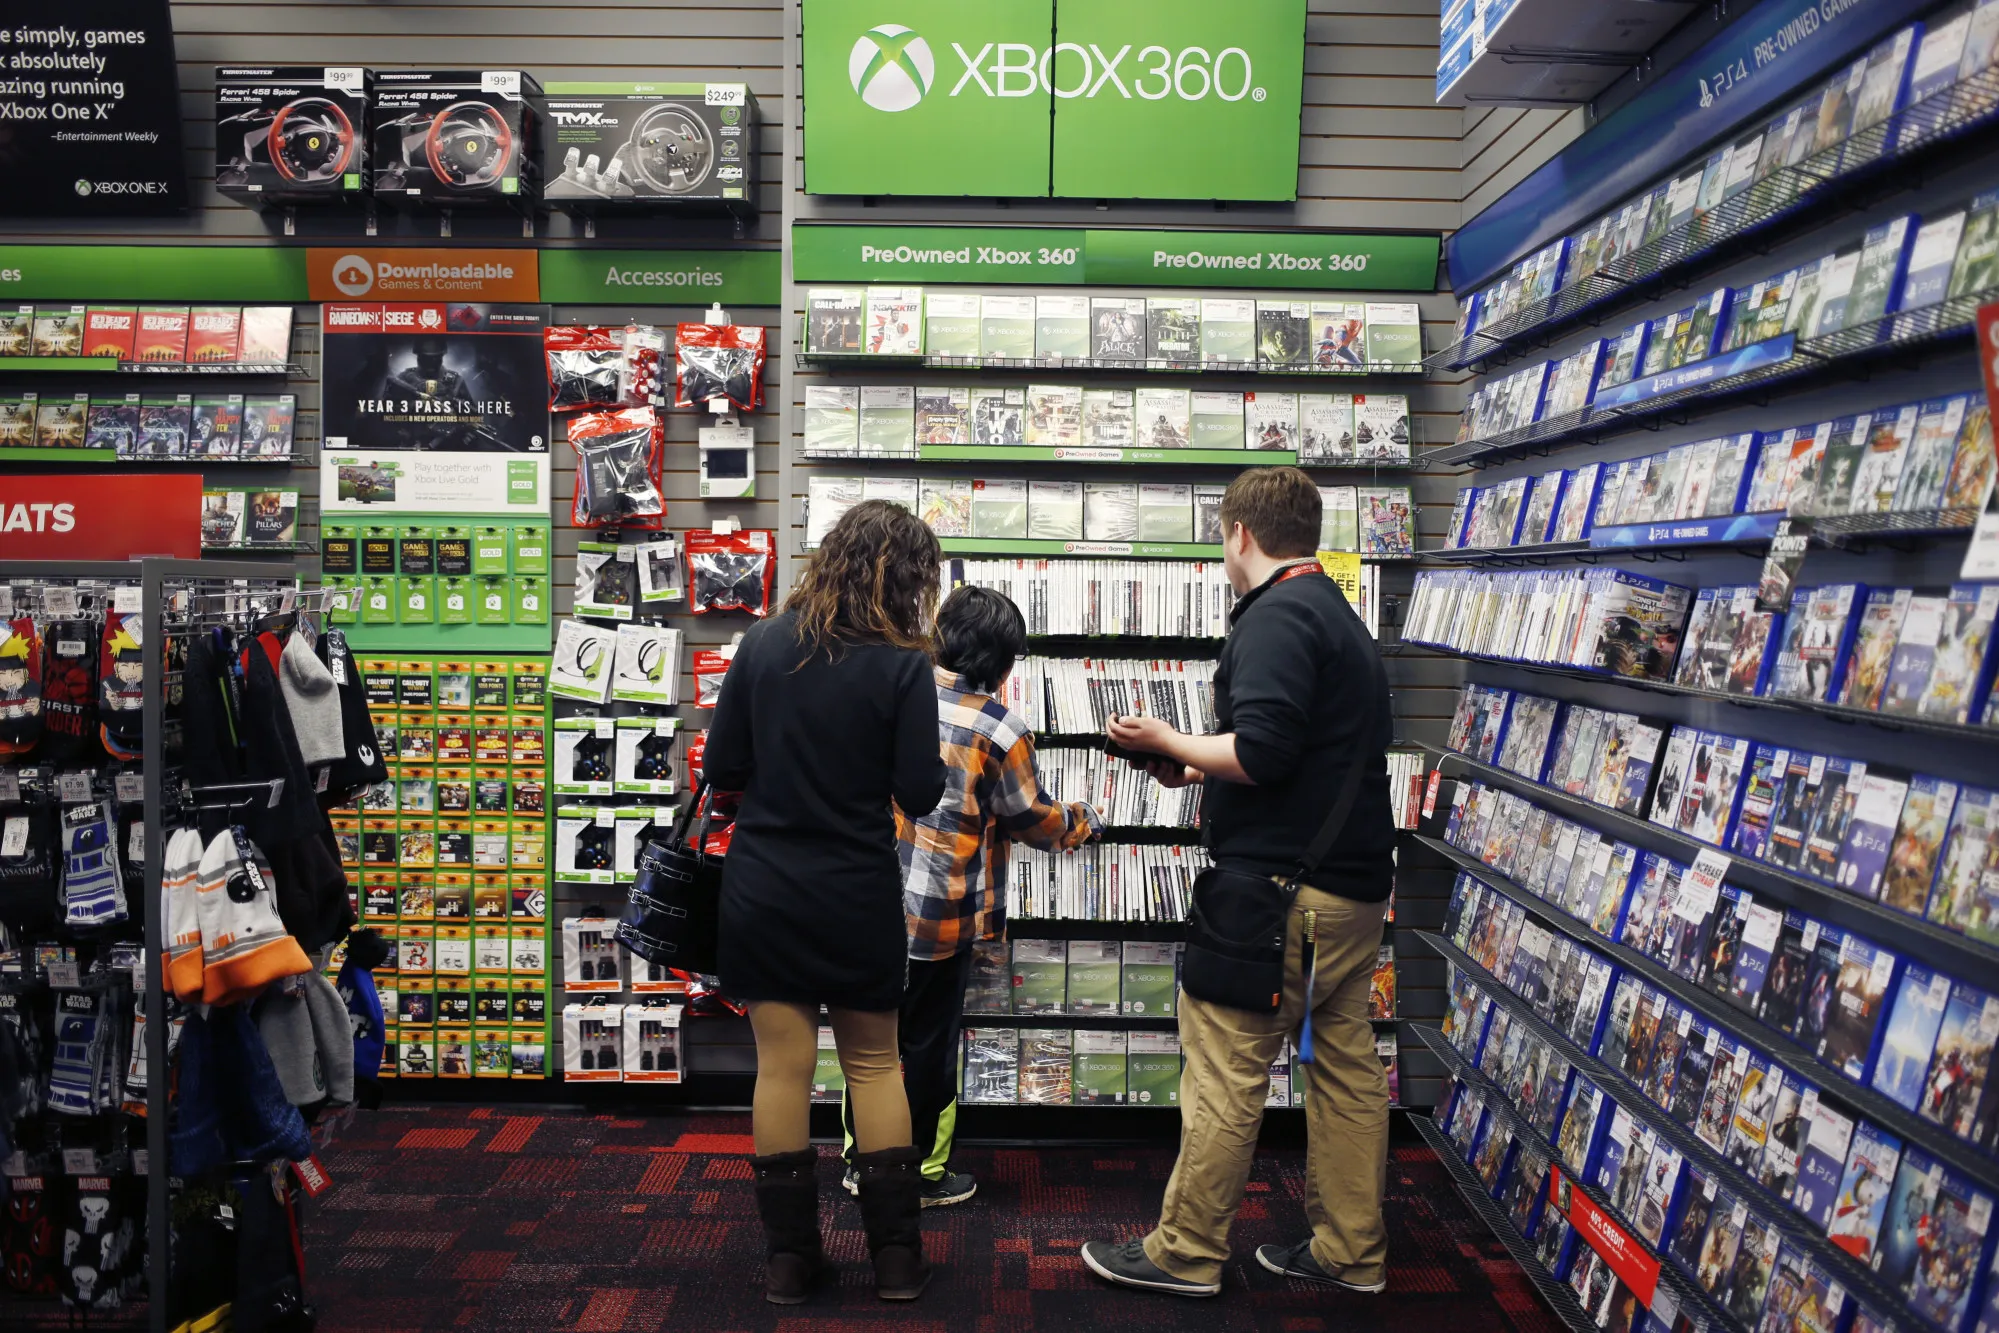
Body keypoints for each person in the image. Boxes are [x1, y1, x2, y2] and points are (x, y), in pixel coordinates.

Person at [1080, 466, 1396, 1297]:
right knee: (1345, 1067)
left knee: (1224, 1068)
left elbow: (1261, 749)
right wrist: (1193, 772)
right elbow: (1304, 756)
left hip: (1280, 899)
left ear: (1239, 535)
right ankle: (1350, 1251)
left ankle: (1184, 1252)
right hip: (1352, 891)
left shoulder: (1275, 615)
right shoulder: (1334, 613)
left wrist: (1174, 739)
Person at [703, 500, 948, 1305]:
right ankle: (897, 1259)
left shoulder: (764, 643)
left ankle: (788, 1262)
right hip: (855, 886)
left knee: (781, 1067)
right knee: (874, 1065)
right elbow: (917, 789)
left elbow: (724, 767)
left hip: (765, 882)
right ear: (909, 578)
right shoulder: (905, 664)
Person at [843, 585, 1102, 1205]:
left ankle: (861, 1163)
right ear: (1004, 664)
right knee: (929, 1047)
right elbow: (1029, 818)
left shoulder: (890, 693)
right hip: (940, 917)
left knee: (872, 1044)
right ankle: (924, 1175)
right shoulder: (999, 727)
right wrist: (1082, 819)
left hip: (868, 904)